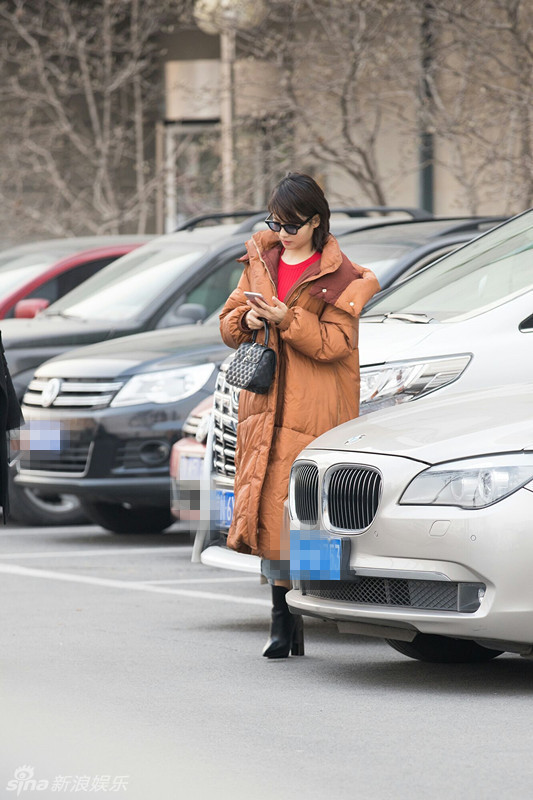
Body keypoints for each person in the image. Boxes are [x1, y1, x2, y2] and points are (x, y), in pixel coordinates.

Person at [219, 173, 380, 658]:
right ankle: (279, 615)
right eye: (276, 222)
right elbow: (227, 326)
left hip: (313, 404)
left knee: (301, 514)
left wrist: (286, 319)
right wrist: (247, 318)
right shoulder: (260, 262)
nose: (283, 233)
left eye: (292, 224)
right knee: (267, 509)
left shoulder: (341, 277)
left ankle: (299, 612)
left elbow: (336, 345)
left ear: (316, 221)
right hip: (264, 402)